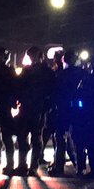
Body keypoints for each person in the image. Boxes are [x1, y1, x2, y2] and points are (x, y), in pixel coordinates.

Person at [16, 46, 55, 176]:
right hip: (32, 107)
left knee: (33, 136)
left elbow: (19, 87)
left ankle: (29, 165)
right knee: (29, 137)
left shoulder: (40, 71)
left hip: (35, 107)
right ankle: (27, 165)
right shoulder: (44, 71)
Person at [0, 48, 19, 174]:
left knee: (6, 136)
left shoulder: (8, 71)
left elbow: (15, 88)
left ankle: (9, 163)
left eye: (1, 56)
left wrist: (13, 102)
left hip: (3, 106)